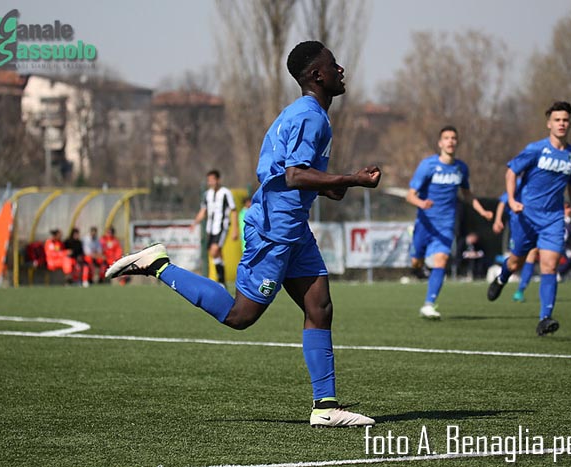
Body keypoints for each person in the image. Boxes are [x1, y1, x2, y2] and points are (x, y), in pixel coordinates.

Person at [106, 41, 380, 427]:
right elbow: (294, 175)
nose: (341, 70)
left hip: (292, 227)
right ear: (317, 75)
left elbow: (297, 177)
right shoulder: (310, 117)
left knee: (320, 308)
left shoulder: (304, 114)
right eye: (334, 65)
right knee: (240, 316)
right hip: (275, 229)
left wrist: (340, 184)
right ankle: (159, 264)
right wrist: (351, 178)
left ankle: (326, 407)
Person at [487, 101, 571, 336]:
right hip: (525, 216)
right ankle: (502, 278)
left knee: (549, 266)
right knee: (516, 262)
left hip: (553, 219)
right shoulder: (535, 149)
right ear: (549, 123)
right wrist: (511, 200)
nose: (562, 123)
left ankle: (545, 318)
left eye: (565, 120)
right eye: (557, 120)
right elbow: (511, 171)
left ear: (569, 123)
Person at [406, 125, 493, 319]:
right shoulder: (428, 166)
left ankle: (429, 304)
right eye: (446, 138)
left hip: (445, 225)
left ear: (457, 142)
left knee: (442, 260)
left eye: (454, 138)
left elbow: (467, 194)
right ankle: (418, 266)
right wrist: (422, 202)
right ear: (440, 143)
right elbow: (410, 195)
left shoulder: (461, 168)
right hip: (425, 223)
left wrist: (483, 211)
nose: (450, 141)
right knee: (416, 261)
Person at [191, 170, 239, 287]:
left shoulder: (225, 193)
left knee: (215, 251)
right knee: (216, 254)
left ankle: (221, 281)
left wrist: (235, 229)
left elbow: (233, 211)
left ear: (218, 180)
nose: (211, 182)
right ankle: (222, 281)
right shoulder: (207, 194)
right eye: (209, 180)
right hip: (210, 228)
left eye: (213, 179)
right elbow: (203, 210)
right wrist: (195, 222)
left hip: (221, 227)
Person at [493, 189, 538, 303]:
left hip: (538, 223)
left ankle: (520, 291)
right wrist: (498, 220)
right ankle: (501, 279)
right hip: (520, 225)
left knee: (533, 255)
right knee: (514, 265)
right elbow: (503, 201)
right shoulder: (519, 183)